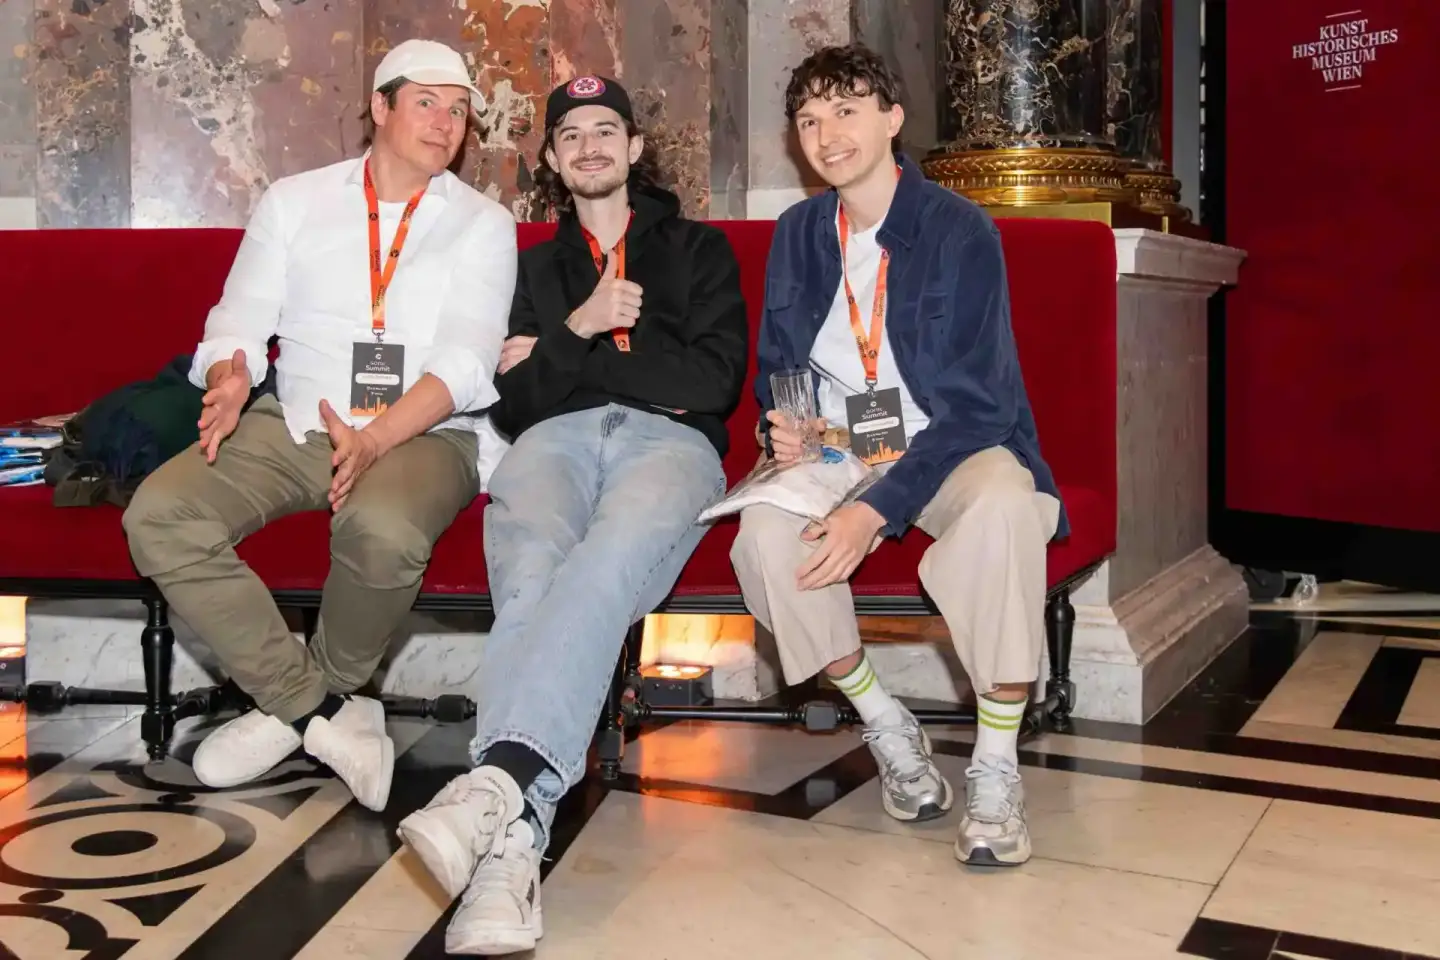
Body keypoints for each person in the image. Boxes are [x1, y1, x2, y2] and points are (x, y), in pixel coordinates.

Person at [395, 74, 748, 955]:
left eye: (606, 131)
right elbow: (511, 406)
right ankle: (513, 840)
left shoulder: (699, 251)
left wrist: (562, 356)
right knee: (530, 575)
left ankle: (501, 788)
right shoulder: (528, 267)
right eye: (571, 137)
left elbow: (710, 385)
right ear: (553, 161)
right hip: (549, 444)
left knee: (601, 563)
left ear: (633, 148)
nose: (589, 146)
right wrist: (582, 326)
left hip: (671, 450)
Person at [122, 39, 518, 811]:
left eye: (461, 109)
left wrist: (376, 439)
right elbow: (237, 317)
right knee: (160, 513)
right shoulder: (294, 201)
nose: (446, 123)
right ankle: (321, 710)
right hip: (297, 418)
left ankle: (296, 706)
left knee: (384, 527)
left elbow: (469, 361)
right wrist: (231, 374)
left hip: (428, 431)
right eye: (427, 103)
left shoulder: (482, 223)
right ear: (379, 106)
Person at [731, 43, 1065, 867]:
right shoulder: (799, 233)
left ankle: (994, 764)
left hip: (952, 442)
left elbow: (983, 405)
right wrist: (784, 424)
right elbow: (777, 363)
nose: (826, 134)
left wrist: (875, 510)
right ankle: (884, 722)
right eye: (808, 120)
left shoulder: (959, 230)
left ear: (891, 118)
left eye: (845, 110)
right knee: (765, 538)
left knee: (1003, 511)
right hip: (840, 449)